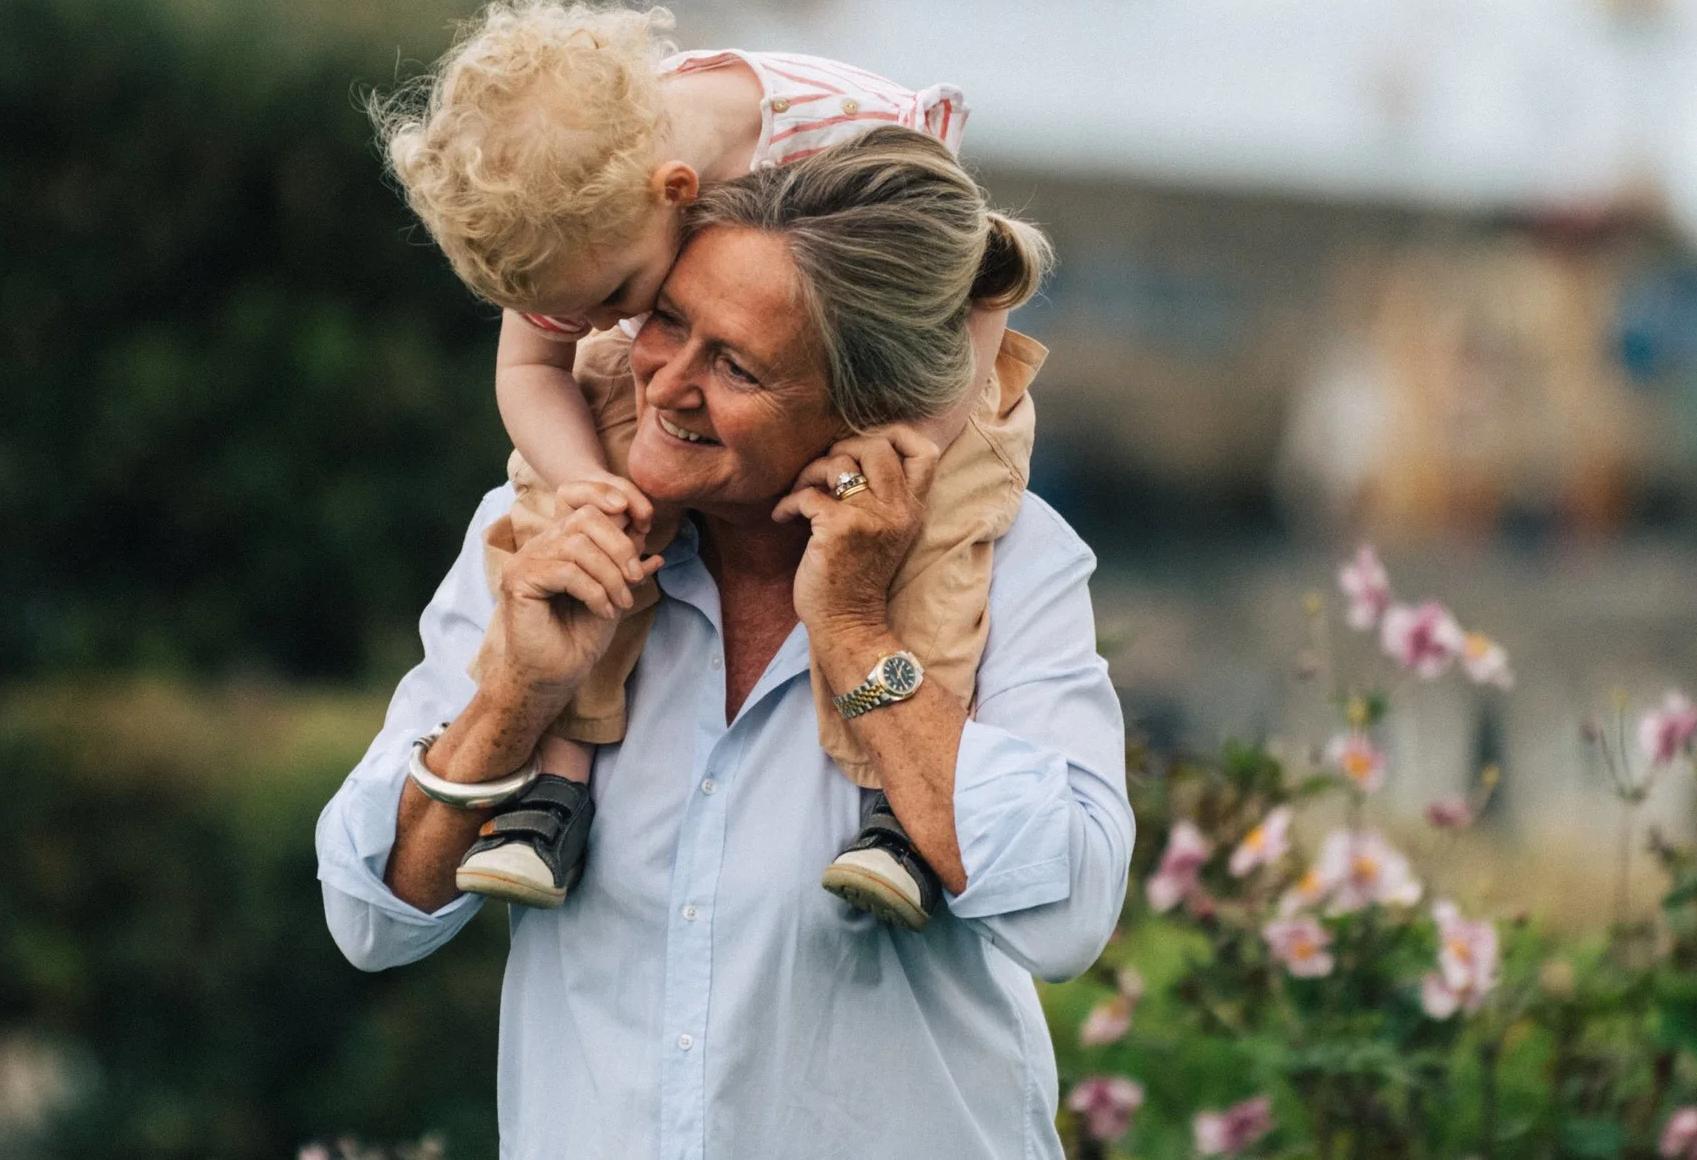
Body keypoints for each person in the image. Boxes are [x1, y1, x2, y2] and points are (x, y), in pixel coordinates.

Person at [315, 132, 1130, 1160]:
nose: (663, 383)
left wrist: (853, 632)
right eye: (666, 321)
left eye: (736, 364)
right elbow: (371, 913)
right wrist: (515, 694)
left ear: (869, 414)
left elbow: (1067, 913)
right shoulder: (538, 533)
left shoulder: (1010, 560)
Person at [372, 0, 1033, 921]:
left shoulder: (842, 136)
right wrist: (588, 488)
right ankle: (549, 791)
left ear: (678, 194)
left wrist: (912, 445)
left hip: (920, 379)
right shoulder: (573, 207)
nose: (604, 328)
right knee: (564, 520)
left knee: (937, 535)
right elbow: (530, 370)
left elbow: (981, 275)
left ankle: (899, 814)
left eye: (618, 295)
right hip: (735, 376)